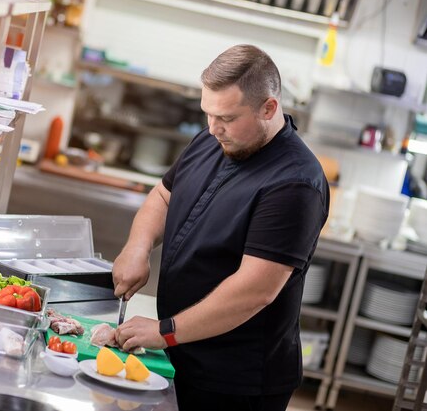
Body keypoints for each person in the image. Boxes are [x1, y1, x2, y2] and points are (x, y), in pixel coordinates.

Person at [112, 44, 329, 411]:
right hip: (180, 352)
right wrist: (137, 247)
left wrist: (165, 331)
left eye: (227, 117)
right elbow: (162, 197)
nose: (214, 128)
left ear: (269, 108)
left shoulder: (295, 184)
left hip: (235, 380)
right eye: (208, 114)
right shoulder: (211, 141)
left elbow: (254, 291)